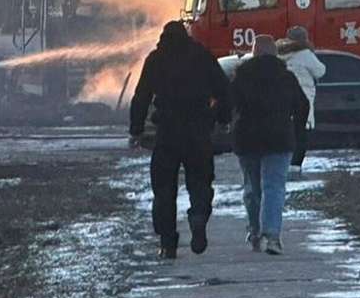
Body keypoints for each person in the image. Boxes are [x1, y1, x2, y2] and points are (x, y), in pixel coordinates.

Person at [130, 21, 230, 259]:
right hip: (198, 130)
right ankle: (198, 217)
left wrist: (136, 129)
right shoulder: (202, 56)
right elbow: (224, 90)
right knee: (201, 181)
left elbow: (141, 95)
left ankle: (168, 243)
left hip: (167, 132)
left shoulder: (156, 59)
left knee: (163, 189)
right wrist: (222, 118)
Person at [230, 35, 309, 255]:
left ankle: (255, 230)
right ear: (275, 53)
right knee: (274, 187)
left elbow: (228, 104)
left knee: (252, 188)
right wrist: (296, 128)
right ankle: (272, 236)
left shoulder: (241, 76)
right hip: (279, 138)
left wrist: (230, 123)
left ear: (254, 53)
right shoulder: (286, 77)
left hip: (247, 139)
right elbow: (302, 105)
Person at [277, 26, 325, 174]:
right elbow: (320, 71)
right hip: (302, 97)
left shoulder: (278, 53)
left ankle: (283, 163)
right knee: (301, 134)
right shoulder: (305, 54)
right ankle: (295, 166)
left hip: (281, 99)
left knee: (284, 133)